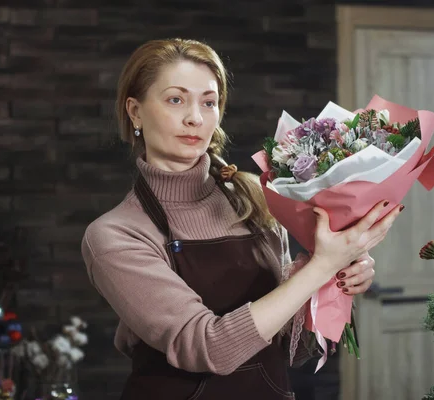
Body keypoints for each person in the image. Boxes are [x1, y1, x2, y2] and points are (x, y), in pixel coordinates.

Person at [81, 38, 403, 400]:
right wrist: (323, 267)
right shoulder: (115, 235)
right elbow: (206, 347)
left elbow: (293, 350)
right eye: (176, 99)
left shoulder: (254, 201)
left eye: (209, 102)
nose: (195, 117)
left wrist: (337, 279)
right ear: (135, 111)